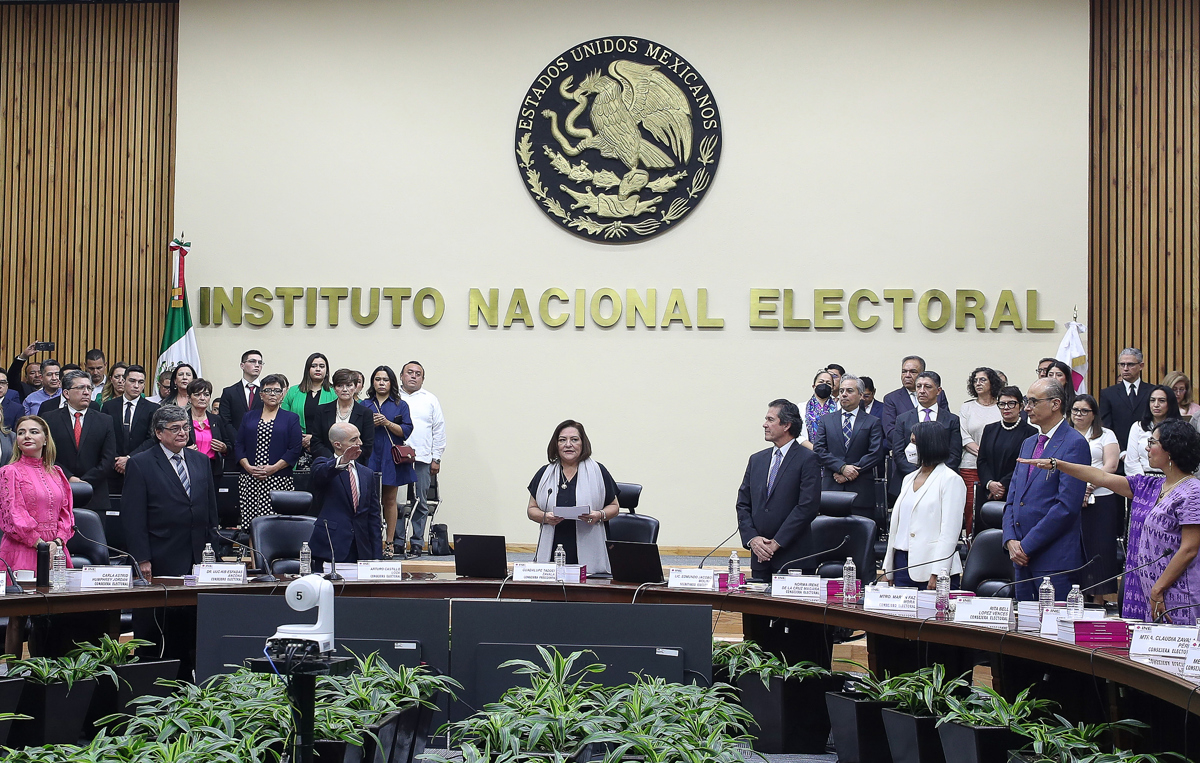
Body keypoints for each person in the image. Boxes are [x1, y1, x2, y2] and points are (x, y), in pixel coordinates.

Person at [1022, 418, 1200, 624]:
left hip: (1173, 590)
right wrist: (1057, 464)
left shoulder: (1193, 492)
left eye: (1152, 442)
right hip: (1140, 588)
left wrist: (1159, 588)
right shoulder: (1149, 485)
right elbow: (1100, 477)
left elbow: (1189, 549)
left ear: (1171, 449)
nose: (1146, 447)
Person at [121, 405, 220, 674]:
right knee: (158, 627)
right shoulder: (141, 463)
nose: (182, 433)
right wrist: (142, 558)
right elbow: (133, 517)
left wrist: (214, 554)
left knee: (193, 625)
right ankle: (153, 677)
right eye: (175, 428)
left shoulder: (200, 460)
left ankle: (189, 677)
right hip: (160, 556)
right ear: (158, 432)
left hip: (198, 556)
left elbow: (210, 511)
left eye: (185, 427)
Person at [1002, 378, 1090, 600]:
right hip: (1021, 558)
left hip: (1053, 560)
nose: (1027, 407)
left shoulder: (1074, 444)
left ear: (1055, 403)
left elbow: (1066, 507)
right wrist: (1010, 540)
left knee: (1051, 630)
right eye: (1026, 401)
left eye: (1033, 401)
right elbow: (1013, 497)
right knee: (1024, 629)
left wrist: (1026, 546)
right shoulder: (1029, 443)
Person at [0, 415, 74, 655]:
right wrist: (42, 544)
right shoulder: (9, 472)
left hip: (56, 550)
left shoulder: (57, 472)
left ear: (45, 439)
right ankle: (12, 678)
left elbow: (67, 514)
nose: (26, 436)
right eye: (21, 433)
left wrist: (59, 541)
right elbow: (12, 516)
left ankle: (43, 672)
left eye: (33, 432)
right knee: (18, 617)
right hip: (23, 549)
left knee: (51, 615)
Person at [735, 399, 821, 580]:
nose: (764, 424)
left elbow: (807, 506)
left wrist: (776, 543)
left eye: (770, 419)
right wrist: (753, 539)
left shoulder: (808, 459)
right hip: (760, 557)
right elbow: (743, 503)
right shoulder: (757, 460)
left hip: (794, 559)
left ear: (786, 425)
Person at [527, 419, 619, 576]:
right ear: (556, 444)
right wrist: (545, 517)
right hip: (553, 549)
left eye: (574, 439)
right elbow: (531, 509)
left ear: (583, 443)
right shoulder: (544, 473)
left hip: (590, 548)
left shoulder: (598, 471)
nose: (568, 444)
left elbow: (614, 506)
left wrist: (599, 515)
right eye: (562, 440)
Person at [883, 422, 965, 588]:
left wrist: (938, 572)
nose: (909, 448)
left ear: (929, 444)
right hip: (901, 564)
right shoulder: (908, 479)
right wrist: (888, 568)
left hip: (931, 567)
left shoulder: (950, 479)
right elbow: (897, 529)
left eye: (914, 442)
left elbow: (950, 531)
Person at [1069, 393, 1121, 603]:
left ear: (1094, 414)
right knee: (1075, 548)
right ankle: (1076, 596)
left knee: (1100, 549)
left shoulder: (1106, 435)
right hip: (1071, 498)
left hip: (1101, 498)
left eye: (1084, 411)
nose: (1079, 415)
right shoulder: (1065, 435)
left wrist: (1089, 488)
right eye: (1075, 410)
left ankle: (1099, 600)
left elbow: (1111, 466)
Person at [309, 422, 382, 567]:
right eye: (353, 440)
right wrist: (342, 461)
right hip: (331, 547)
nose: (360, 443)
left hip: (361, 549)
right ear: (338, 444)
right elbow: (320, 475)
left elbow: (374, 517)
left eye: (359, 438)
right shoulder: (323, 465)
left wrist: (377, 556)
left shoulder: (366, 473)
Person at [42, 370, 116, 512]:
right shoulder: (49, 419)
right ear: (66, 393)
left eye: (89, 388)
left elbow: (108, 459)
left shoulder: (105, 421)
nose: (87, 392)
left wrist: (84, 482)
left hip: (95, 495)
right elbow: (46, 456)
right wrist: (69, 478)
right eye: (81, 388)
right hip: (58, 493)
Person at [235, 374, 303, 527]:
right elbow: (239, 445)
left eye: (277, 391)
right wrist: (248, 467)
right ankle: (254, 552)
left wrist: (273, 468)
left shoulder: (291, 418)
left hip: (279, 478)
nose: (273, 394)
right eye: (268, 390)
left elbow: (294, 449)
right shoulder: (248, 417)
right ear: (261, 394)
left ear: (282, 395)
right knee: (251, 524)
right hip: (250, 479)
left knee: (277, 524)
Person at [812, 375, 884, 518]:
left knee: (861, 535)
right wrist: (842, 468)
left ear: (861, 395)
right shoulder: (826, 420)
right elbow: (819, 450)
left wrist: (850, 473)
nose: (844, 394)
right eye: (841, 391)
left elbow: (875, 453)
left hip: (861, 490)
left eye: (849, 391)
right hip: (832, 488)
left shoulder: (872, 422)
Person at [363, 365, 414, 558]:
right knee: (368, 501)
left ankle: (390, 543)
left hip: (390, 457)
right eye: (377, 379)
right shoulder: (364, 405)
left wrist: (387, 423)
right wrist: (370, 424)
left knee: (389, 500)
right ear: (373, 382)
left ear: (391, 382)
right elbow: (356, 431)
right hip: (369, 457)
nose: (381, 383)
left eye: (385, 379)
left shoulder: (401, 404)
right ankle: (371, 541)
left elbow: (406, 431)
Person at [889, 371, 962, 502]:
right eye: (919, 386)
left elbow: (955, 454)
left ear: (938, 391)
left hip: (941, 481)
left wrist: (934, 475)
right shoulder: (903, 419)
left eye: (927, 387)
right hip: (908, 479)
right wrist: (917, 475)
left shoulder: (951, 419)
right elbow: (898, 453)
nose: (922, 391)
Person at [399, 361, 445, 556]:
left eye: (418, 374)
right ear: (401, 376)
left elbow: (439, 429)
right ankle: (396, 541)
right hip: (396, 458)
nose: (413, 376)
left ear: (423, 379)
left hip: (423, 459)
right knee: (397, 502)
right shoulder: (393, 397)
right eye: (409, 372)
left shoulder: (430, 399)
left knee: (420, 501)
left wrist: (437, 458)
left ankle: (417, 542)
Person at [100, 365, 159, 496]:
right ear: (124, 381)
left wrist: (129, 459)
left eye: (141, 382)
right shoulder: (109, 407)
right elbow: (104, 437)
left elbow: (153, 439)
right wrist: (117, 461)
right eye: (132, 381)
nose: (136, 386)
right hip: (113, 468)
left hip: (141, 467)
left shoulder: (153, 409)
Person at [976, 386, 1038, 510]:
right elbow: (982, 460)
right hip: (988, 491)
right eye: (1002, 404)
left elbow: (1025, 464)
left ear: (1021, 406)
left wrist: (1003, 485)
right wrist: (990, 483)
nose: (1006, 408)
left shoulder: (1031, 433)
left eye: (1011, 403)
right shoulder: (990, 429)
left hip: (1015, 490)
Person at [958, 367, 1003, 533]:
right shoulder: (967, 407)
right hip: (971, 466)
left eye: (983, 379)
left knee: (994, 508)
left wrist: (990, 457)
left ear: (992, 382)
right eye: (975, 380)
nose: (978, 383)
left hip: (997, 467)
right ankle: (972, 547)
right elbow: (964, 436)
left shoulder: (1001, 406)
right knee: (971, 507)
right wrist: (984, 455)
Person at [308, 369, 374, 464]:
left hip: (355, 464)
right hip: (327, 464)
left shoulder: (365, 413)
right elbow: (316, 442)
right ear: (334, 388)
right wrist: (334, 461)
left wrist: (348, 460)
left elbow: (367, 446)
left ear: (355, 387)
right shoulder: (322, 410)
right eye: (340, 385)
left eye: (349, 385)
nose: (344, 389)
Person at [880, 355, 950, 441]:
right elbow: (890, 432)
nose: (907, 375)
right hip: (906, 449)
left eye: (913, 372)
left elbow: (946, 423)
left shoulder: (938, 394)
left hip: (937, 447)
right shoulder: (892, 398)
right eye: (904, 371)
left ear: (923, 373)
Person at [1099, 347, 1152, 457]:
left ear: (1141, 366)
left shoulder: (1152, 391)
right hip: (1118, 455)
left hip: (1147, 452)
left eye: (1130, 364)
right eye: (1122, 364)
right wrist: (1121, 451)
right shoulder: (1108, 393)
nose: (1125, 368)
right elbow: (1107, 427)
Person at [281, 352, 335, 453]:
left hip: (325, 446)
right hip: (296, 443)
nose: (318, 369)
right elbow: (283, 419)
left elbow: (338, 422)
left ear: (327, 371)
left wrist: (314, 437)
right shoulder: (293, 391)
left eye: (322, 366)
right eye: (313, 366)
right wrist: (300, 438)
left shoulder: (334, 393)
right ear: (307, 370)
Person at [186, 379, 235, 482]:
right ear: (189, 398)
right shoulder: (182, 418)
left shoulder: (216, 419)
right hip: (188, 467)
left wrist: (224, 448)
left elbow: (229, 445)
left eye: (206, 394)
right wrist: (184, 450)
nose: (202, 398)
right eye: (197, 395)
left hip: (212, 469)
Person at [1124, 386, 1181, 476]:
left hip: (1172, 480)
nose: (1156, 405)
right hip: (1143, 479)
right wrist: (1143, 483)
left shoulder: (1179, 428)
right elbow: (1131, 462)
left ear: (1170, 403)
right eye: (1152, 400)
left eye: (1161, 401)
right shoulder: (1137, 427)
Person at [217, 349, 265, 435]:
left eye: (260, 362)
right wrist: (237, 441)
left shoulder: (266, 392)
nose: (257, 365)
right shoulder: (229, 392)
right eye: (252, 361)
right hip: (236, 442)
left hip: (262, 442)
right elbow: (225, 421)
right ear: (242, 365)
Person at [804, 369, 837, 439]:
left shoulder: (839, 408)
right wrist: (814, 448)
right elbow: (799, 435)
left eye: (828, 383)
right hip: (807, 448)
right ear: (814, 386)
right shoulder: (801, 407)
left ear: (832, 388)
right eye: (821, 382)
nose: (824, 385)